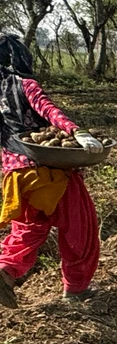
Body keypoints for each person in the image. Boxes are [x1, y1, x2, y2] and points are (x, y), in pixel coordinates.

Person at [0, 35, 103, 306]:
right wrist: (76, 131)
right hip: (48, 172)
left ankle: (5, 270)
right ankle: (76, 289)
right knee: (79, 228)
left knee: (27, 229)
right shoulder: (25, 84)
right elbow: (47, 109)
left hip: (15, 176)